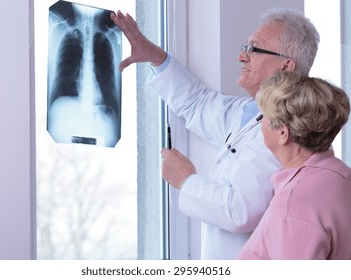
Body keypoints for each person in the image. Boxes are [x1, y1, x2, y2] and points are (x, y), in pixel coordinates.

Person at [110, 8, 320, 259]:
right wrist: (155, 56)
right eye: (246, 46)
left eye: (254, 49)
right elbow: (196, 104)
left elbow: (241, 212)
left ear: (286, 66)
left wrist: (186, 179)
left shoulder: (288, 132)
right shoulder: (250, 112)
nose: (242, 56)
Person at [237, 71, 351, 260]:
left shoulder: (293, 207)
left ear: (283, 132)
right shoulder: (341, 175)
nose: (260, 124)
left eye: (263, 116)